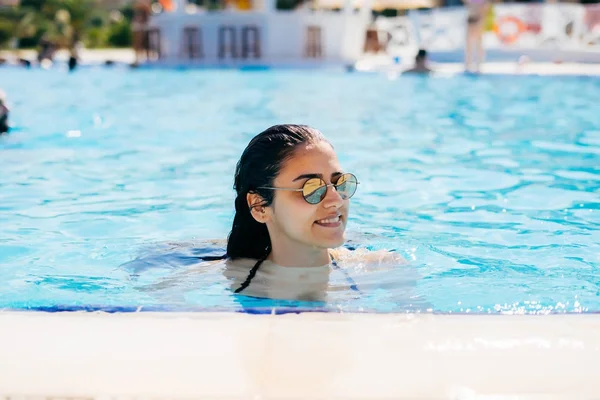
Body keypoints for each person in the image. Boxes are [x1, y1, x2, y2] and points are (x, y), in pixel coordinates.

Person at [131, 124, 406, 302]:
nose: (335, 199)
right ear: (260, 206)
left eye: (339, 182)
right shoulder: (221, 277)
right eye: (311, 188)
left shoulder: (382, 268)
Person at [463, 0, 490, 73]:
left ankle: (478, 65)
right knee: (469, 44)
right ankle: (468, 64)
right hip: (471, 18)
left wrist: (481, 19)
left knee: (478, 44)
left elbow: (485, 8)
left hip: (479, 19)